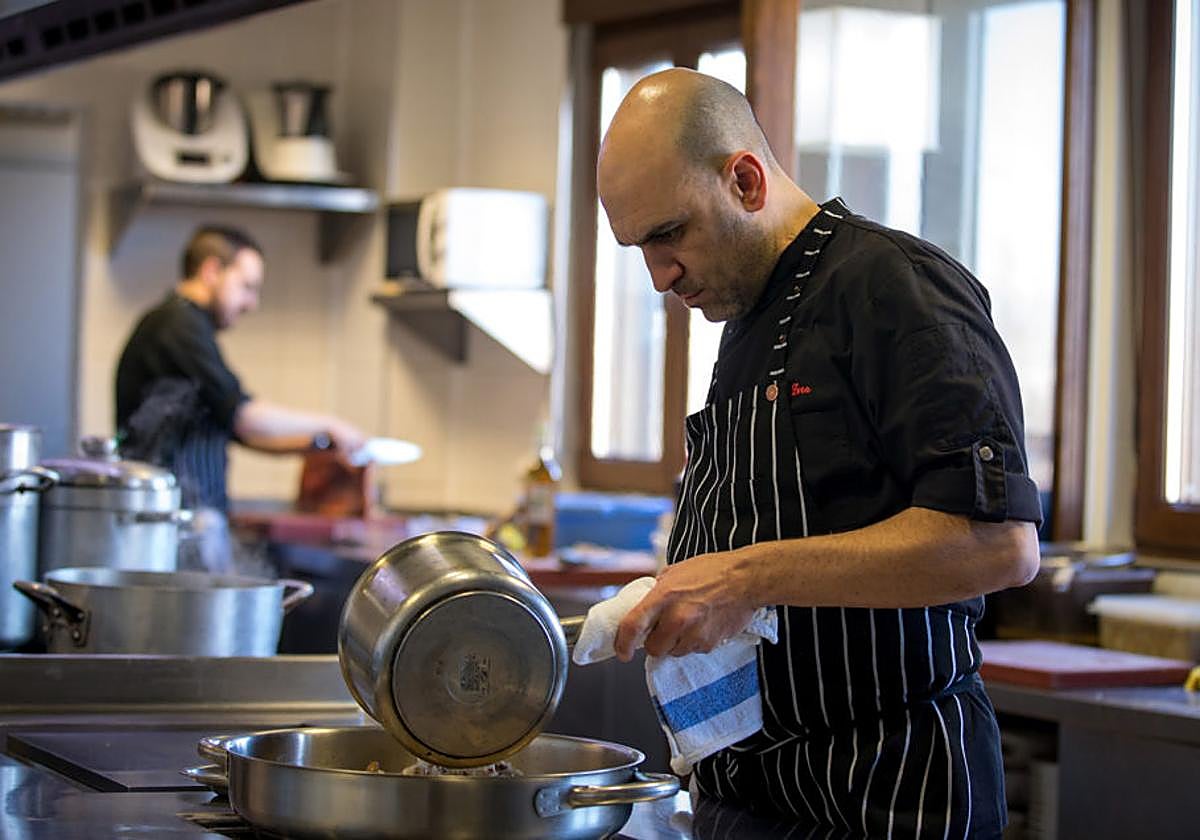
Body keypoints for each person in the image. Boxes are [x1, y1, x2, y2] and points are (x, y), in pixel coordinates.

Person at [598, 69, 1041, 838]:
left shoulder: (895, 288)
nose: (661, 276)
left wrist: (745, 578)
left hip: (887, 799)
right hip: (752, 801)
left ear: (743, 178)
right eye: (641, 247)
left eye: (670, 234)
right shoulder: (747, 313)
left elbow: (997, 543)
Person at [115, 225, 367, 569]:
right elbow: (244, 417)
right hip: (178, 524)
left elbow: (238, 430)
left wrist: (321, 444)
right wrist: (332, 424)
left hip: (188, 523)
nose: (252, 303)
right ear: (211, 270)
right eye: (247, 287)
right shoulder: (177, 323)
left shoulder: (182, 327)